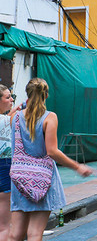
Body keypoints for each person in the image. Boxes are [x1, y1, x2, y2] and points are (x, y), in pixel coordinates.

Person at [8, 78, 93, 241]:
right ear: (46, 95)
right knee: (34, 233)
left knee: (15, 234)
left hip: (19, 180)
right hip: (42, 181)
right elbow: (52, 151)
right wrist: (77, 166)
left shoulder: (15, 118)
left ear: (27, 94)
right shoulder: (49, 117)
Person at [0, 85, 21, 241]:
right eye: (8, 97)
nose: (12, 99)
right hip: (4, 165)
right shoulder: (8, 121)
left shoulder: (7, 119)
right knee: (4, 226)